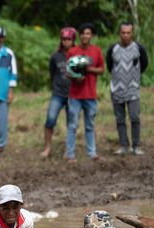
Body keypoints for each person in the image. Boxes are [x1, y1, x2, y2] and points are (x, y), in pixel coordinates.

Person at [107, 22, 149, 156]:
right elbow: (109, 66)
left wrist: (133, 78)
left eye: (128, 32)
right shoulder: (113, 49)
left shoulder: (139, 48)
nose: (125, 35)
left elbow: (144, 64)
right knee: (120, 119)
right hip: (117, 90)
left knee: (134, 117)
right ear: (119, 33)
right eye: (123, 32)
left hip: (133, 89)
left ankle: (136, 146)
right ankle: (123, 145)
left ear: (132, 33)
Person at [66, 23, 104, 162]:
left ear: (91, 36)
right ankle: (70, 154)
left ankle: (92, 152)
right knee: (72, 125)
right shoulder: (72, 52)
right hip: (75, 95)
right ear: (79, 35)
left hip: (90, 95)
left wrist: (87, 69)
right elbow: (67, 71)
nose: (85, 36)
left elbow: (101, 70)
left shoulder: (97, 51)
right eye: (83, 33)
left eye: (88, 33)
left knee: (90, 125)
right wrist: (76, 77)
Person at [41, 28, 76, 159]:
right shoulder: (56, 56)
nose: (66, 42)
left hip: (73, 95)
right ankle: (47, 147)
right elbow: (52, 73)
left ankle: (69, 149)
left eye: (69, 39)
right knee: (50, 119)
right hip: (58, 94)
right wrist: (54, 86)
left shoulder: (77, 55)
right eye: (64, 39)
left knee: (71, 122)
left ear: (73, 41)